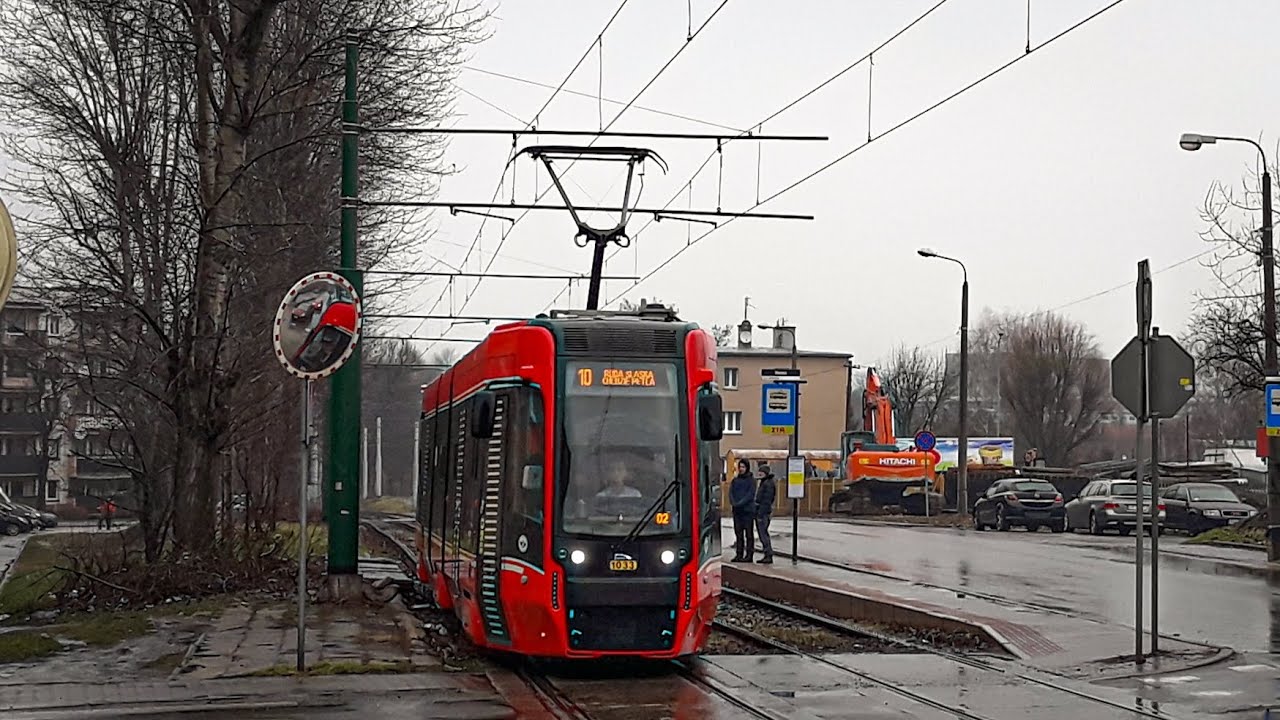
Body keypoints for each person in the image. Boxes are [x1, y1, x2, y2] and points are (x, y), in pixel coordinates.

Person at [728, 459, 756, 563]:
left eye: (743, 467)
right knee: (738, 534)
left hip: (747, 511)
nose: (741, 469)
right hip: (737, 511)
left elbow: (750, 495)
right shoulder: (735, 480)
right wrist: (733, 502)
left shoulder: (751, 480)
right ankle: (739, 554)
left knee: (749, 534)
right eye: (740, 467)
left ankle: (749, 555)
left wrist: (740, 503)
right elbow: (731, 492)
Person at [753, 462, 776, 564]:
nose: (759, 474)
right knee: (763, 533)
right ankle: (767, 553)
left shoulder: (767, 484)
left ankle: (768, 553)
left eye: (761, 472)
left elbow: (766, 500)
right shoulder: (765, 482)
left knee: (763, 534)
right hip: (762, 511)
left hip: (763, 513)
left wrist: (760, 513)